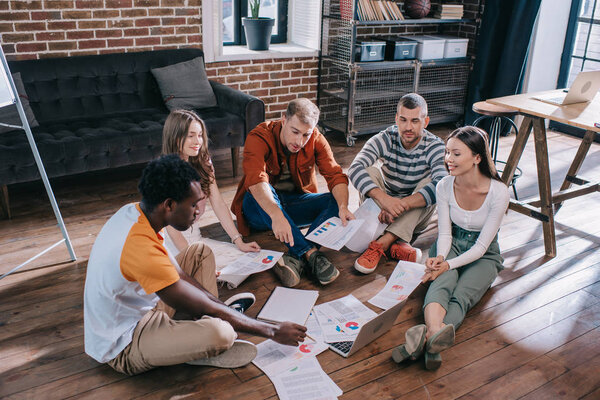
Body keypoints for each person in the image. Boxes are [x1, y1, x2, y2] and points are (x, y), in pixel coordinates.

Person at [83, 155, 307, 376]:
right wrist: (272, 330)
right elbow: (194, 301)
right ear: (169, 205)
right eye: (192, 205)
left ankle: (199, 333)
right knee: (223, 334)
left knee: (199, 252)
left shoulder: (137, 213)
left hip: (143, 307)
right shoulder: (139, 246)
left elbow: (181, 277)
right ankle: (198, 344)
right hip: (124, 343)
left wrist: (219, 309)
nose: (198, 212)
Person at [391, 126, 510, 370]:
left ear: (477, 158)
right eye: (447, 153)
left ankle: (424, 338)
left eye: (456, 154)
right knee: (442, 282)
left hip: (484, 253)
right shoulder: (444, 185)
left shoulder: (499, 192)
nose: (448, 160)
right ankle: (436, 334)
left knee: (463, 294)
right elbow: (444, 232)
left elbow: (481, 246)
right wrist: (441, 258)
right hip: (451, 243)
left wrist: (447, 265)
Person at [231, 98, 354, 287]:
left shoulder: (316, 140)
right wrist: (275, 214)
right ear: (284, 120)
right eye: (295, 132)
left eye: (306, 134)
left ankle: (296, 256)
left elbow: (335, 175)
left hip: (294, 206)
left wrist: (344, 206)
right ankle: (310, 254)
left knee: (335, 201)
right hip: (260, 211)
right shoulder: (258, 136)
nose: (299, 141)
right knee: (256, 193)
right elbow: (256, 180)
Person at [348, 93, 447, 274]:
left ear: (425, 122)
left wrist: (398, 206)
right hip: (382, 211)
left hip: (413, 216)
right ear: (396, 119)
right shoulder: (385, 137)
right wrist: (385, 201)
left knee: (430, 183)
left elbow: (443, 184)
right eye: (403, 120)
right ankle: (398, 244)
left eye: (415, 121)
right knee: (369, 171)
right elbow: (354, 168)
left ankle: (380, 244)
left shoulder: (435, 146)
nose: (408, 127)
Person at [161, 109, 260, 256]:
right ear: (176, 138)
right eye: (191, 136)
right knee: (203, 274)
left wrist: (239, 241)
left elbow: (218, 203)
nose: (198, 141)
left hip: (194, 236)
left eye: (200, 135)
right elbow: (171, 228)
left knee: (242, 258)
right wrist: (191, 258)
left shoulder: (204, 162)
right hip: (169, 242)